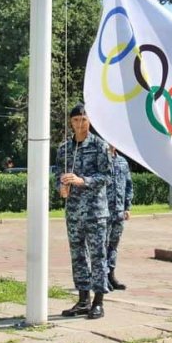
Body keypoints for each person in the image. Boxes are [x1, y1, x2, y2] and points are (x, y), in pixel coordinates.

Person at [54, 103, 113, 319]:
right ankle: (82, 299)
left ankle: (98, 302)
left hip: (95, 212)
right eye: (76, 120)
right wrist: (60, 186)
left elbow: (107, 176)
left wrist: (82, 181)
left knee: (98, 256)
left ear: (90, 121)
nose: (80, 124)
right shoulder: (64, 149)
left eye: (84, 120)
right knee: (78, 256)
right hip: (73, 212)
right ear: (71, 122)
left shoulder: (100, 146)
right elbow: (57, 173)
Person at [106, 145, 133, 291]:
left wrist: (127, 207)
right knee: (101, 246)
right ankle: (102, 278)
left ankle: (111, 275)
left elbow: (128, 185)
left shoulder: (122, 161)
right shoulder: (99, 161)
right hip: (102, 212)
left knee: (113, 245)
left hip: (118, 212)